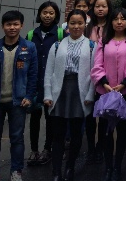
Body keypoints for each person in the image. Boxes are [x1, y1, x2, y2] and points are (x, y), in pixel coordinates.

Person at [0, 10, 37, 181]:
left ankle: (16, 171)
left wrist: (29, 96)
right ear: (3, 26)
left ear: (21, 25)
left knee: (17, 139)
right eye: (8, 24)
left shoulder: (29, 48)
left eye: (15, 24)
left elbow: (33, 75)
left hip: (18, 101)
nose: (12, 27)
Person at [43, 9, 96, 180]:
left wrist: (90, 95)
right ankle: (56, 171)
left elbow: (94, 74)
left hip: (79, 92)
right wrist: (48, 94)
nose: (76, 26)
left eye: (80, 23)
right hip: (60, 91)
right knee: (58, 134)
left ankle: (70, 167)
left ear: (85, 24)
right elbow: (49, 72)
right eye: (73, 23)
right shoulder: (57, 45)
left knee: (76, 133)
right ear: (67, 25)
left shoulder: (91, 46)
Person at [91, 7, 126, 180]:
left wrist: (124, 83)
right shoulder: (104, 40)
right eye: (116, 19)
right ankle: (108, 167)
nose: (119, 22)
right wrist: (104, 83)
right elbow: (97, 65)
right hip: (105, 92)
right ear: (111, 22)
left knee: (121, 131)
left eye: (123, 19)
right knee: (106, 131)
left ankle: (118, 166)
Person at [26, 1, 63, 167]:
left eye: (51, 13)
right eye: (45, 12)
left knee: (50, 118)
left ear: (56, 16)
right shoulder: (31, 35)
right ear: (39, 14)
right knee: (34, 117)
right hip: (34, 83)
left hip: (52, 84)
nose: (48, 16)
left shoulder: (60, 35)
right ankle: (34, 150)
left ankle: (48, 149)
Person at [84, 0, 112, 163]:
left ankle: (101, 146)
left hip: (105, 77)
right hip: (87, 76)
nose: (100, 9)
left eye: (104, 6)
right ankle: (90, 148)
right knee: (89, 115)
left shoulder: (112, 27)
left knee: (103, 115)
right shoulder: (87, 27)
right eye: (97, 6)